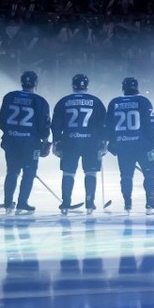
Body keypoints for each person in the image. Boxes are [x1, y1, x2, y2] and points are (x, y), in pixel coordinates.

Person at [51, 73, 108, 213]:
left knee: (68, 172)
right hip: (91, 143)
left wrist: (56, 142)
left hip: (70, 142)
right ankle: (90, 203)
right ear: (86, 86)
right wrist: (104, 143)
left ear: (73, 85)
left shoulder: (63, 101)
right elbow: (103, 125)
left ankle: (65, 203)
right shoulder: (96, 102)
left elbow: (56, 124)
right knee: (91, 172)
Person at [106, 77, 154, 214]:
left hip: (123, 146)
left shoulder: (114, 103)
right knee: (150, 173)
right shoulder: (143, 101)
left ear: (123, 88)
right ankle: (150, 202)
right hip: (143, 146)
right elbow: (151, 123)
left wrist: (111, 142)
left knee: (126, 175)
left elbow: (108, 125)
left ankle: (127, 203)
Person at [0, 70, 51, 214]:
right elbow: (44, 126)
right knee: (29, 172)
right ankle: (22, 203)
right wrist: (45, 140)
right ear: (36, 83)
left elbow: (2, 121)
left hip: (11, 141)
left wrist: (11, 132)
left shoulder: (9, 97)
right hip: (30, 144)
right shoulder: (40, 101)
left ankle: (8, 203)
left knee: (12, 171)